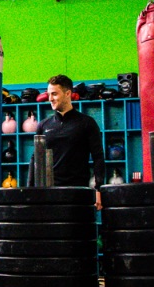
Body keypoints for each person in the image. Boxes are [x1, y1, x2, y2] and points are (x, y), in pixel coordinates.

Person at [29, 74, 105, 208]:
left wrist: (98, 189)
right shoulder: (43, 125)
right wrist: (29, 191)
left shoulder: (87, 123)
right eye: (49, 94)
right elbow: (35, 159)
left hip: (78, 192)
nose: (50, 99)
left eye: (54, 94)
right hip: (50, 192)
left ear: (68, 93)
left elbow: (98, 157)